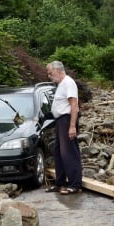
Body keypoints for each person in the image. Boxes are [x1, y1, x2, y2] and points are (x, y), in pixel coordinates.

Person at [45, 61, 82, 195]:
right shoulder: (61, 84)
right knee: (59, 152)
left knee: (69, 152)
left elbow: (74, 105)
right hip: (61, 121)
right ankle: (59, 183)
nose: (49, 76)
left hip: (67, 120)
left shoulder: (68, 82)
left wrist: (72, 126)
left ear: (58, 70)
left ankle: (75, 184)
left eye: (50, 73)